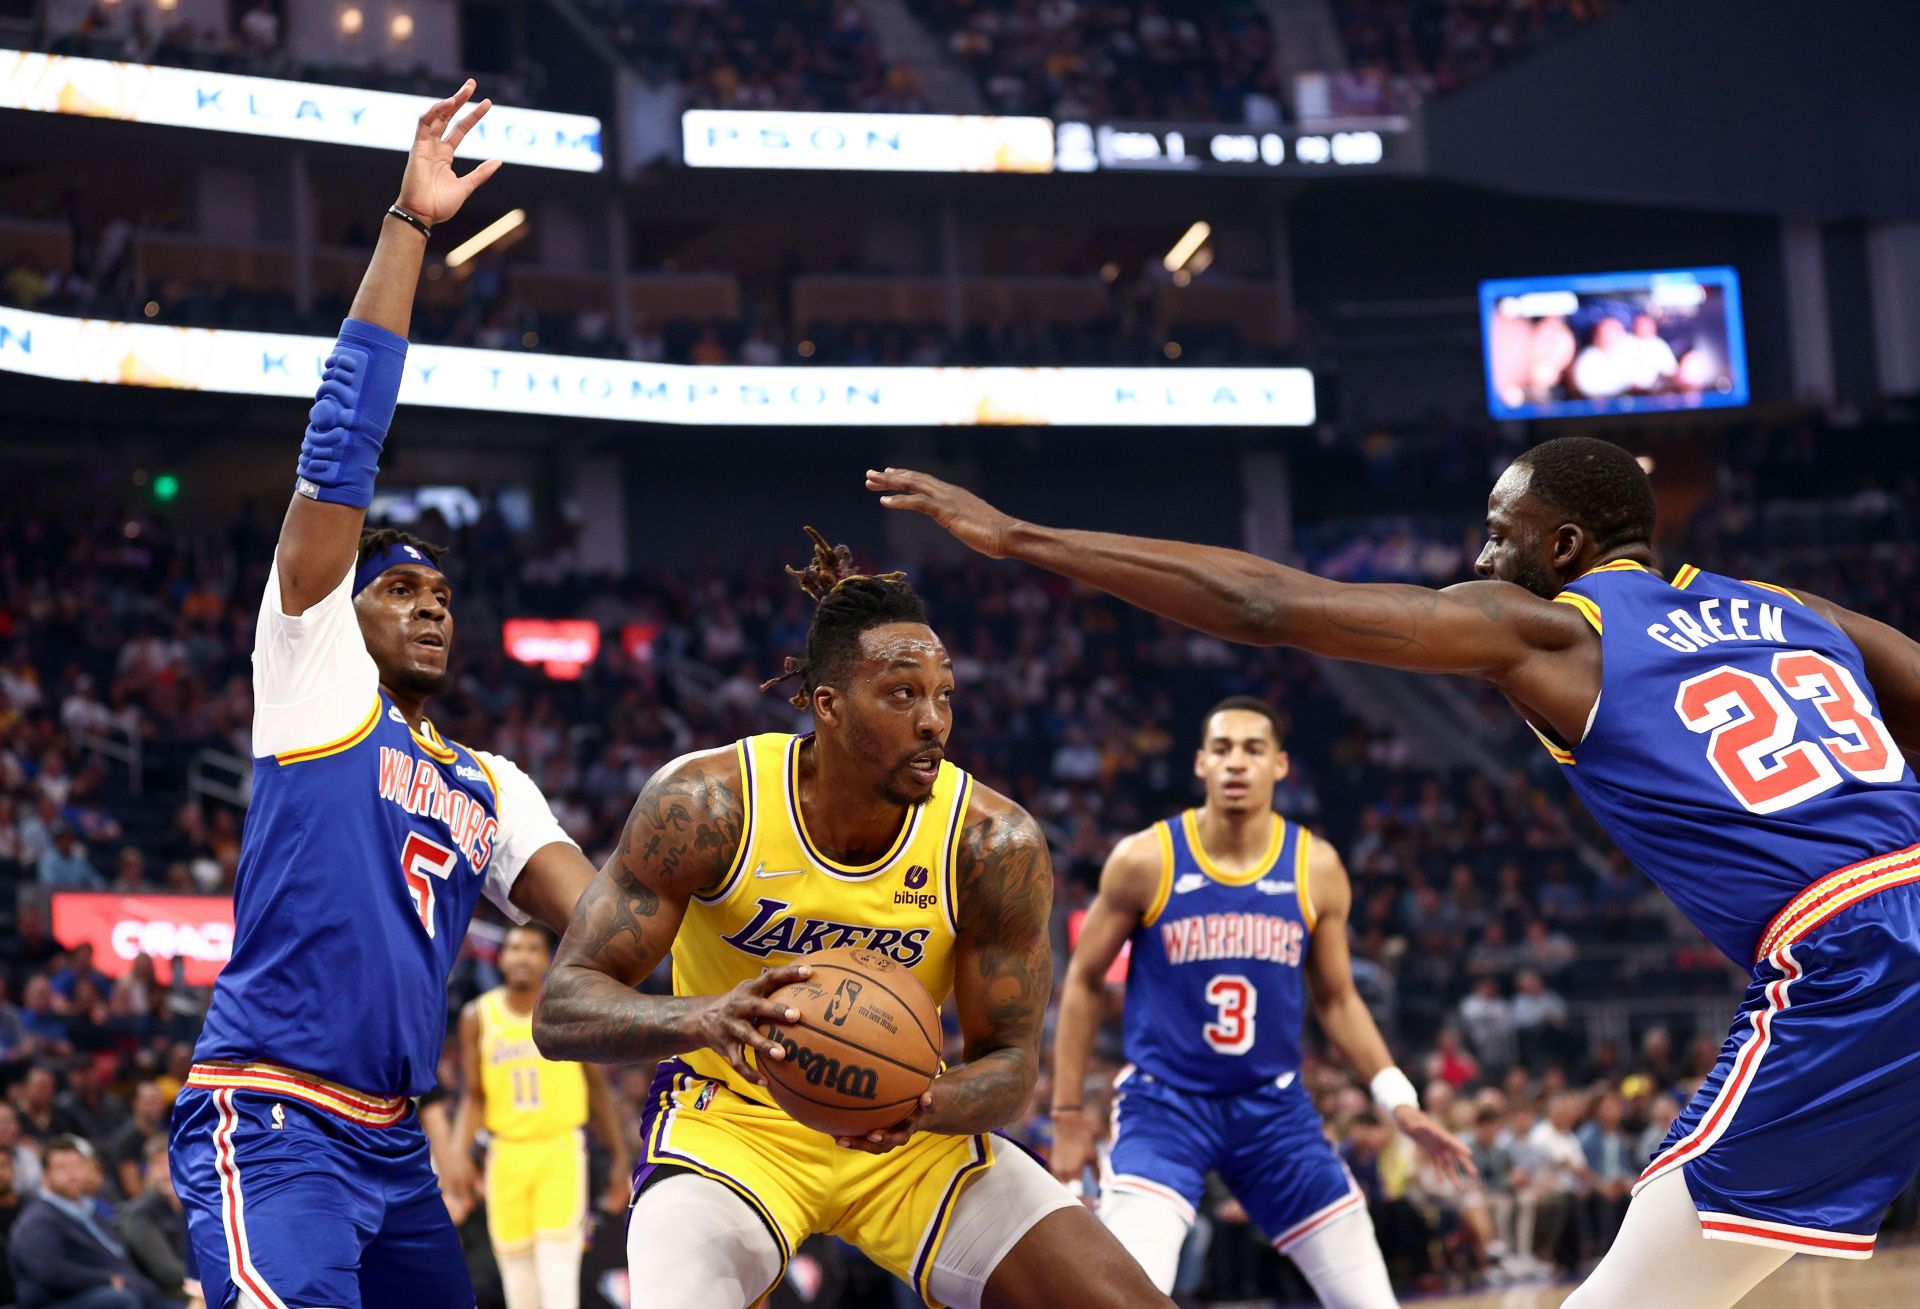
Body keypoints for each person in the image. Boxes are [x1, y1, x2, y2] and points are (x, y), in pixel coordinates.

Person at [869, 436, 1920, 1308]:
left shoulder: (1559, 629)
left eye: (1499, 535)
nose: (1480, 552)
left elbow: (1274, 605)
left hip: (1853, 954)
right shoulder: (1792, 609)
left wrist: (1023, 538)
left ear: (1563, 543)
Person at [165, 82, 599, 1309]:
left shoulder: (492, 783)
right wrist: (409, 227)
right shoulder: (314, 674)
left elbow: (614, 922)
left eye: (443, 596)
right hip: (275, 1117)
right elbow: (338, 447)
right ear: (343, 606)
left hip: (397, 1150)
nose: (427, 604)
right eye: (398, 585)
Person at [533, 530, 1173, 1309]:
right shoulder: (706, 803)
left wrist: (925, 1103)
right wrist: (707, 1015)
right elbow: (561, 1006)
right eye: (903, 694)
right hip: (732, 1123)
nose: (934, 719)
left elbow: (1011, 1067)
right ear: (828, 705)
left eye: (944, 694)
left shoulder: (992, 842)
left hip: (908, 1134)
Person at [1048, 697, 1471, 1307]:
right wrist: (1066, 1117)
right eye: (1222, 749)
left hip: (1274, 1112)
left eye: (1252, 749)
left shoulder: (1316, 867)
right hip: (1166, 1106)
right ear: (1200, 764)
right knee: (1126, 1296)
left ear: (1280, 765)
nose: (1236, 763)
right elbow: (1085, 982)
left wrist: (1399, 1102)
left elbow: (1338, 998)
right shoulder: (1145, 858)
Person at [445, 924, 631, 1309]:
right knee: (518, 1287)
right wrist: (457, 1156)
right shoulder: (477, 1016)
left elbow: (597, 1088)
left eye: (533, 948)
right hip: (506, 1157)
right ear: (501, 958)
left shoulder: (566, 1012)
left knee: (557, 1278)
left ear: (547, 960)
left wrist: (620, 1157)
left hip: (559, 1152)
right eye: (514, 948)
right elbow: (473, 1096)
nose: (523, 956)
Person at [8, 1136, 170, 1309]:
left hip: (124, 1290)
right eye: (62, 1167)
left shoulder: (89, 1209)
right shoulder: (39, 1219)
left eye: (77, 1166)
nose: (72, 1174)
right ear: (45, 1175)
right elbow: (49, 1272)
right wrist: (106, 1280)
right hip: (65, 1300)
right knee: (121, 1300)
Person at [117, 1138, 192, 1302]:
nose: (165, 1172)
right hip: (165, 1296)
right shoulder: (140, 1215)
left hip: (195, 1288)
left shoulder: (195, 1206)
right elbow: (167, 1272)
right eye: (157, 1165)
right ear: (147, 1172)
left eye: (171, 1163)